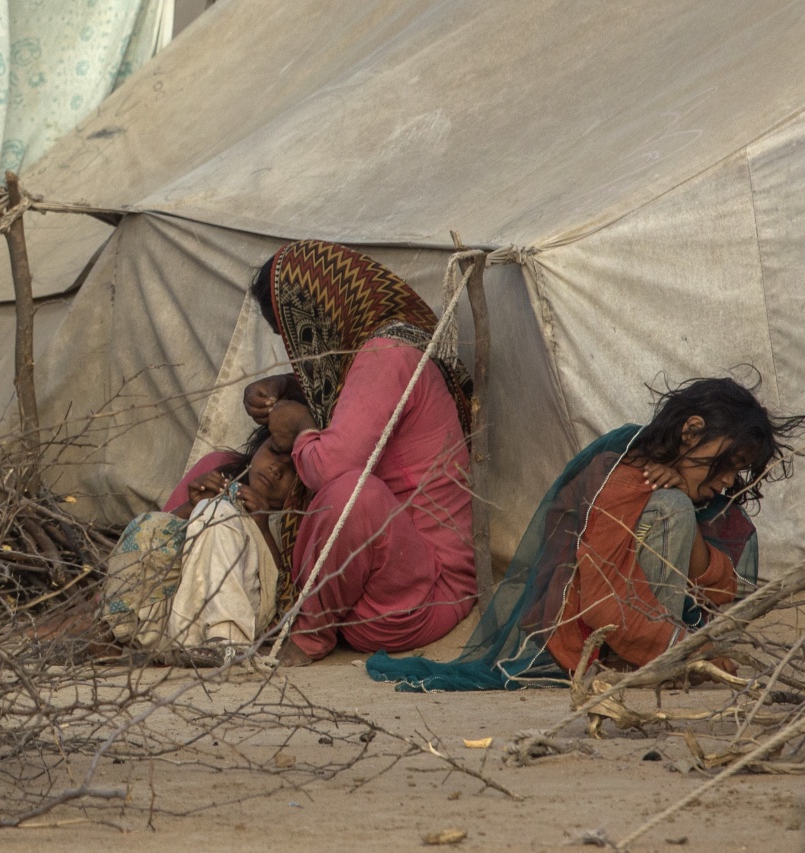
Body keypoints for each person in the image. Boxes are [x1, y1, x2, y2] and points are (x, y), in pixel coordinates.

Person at [371, 376, 794, 691]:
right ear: (691, 431)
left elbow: (719, 589)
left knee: (676, 508)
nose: (727, 481)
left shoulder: (699, 498)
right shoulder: (625, 475)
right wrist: (685, 649)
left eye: (737, 472)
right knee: (670, 509)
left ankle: (661, 656)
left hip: (652, 631)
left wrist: (687, 512)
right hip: (592, 643)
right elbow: (601, 600)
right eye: (724, 465)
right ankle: (647, 665)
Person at [245, 239, 477, 664]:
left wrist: (300, 427)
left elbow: (329, 468)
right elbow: (349, 397)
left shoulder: (385, 355)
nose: (298, 351)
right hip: (392, 583)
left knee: (353, 493)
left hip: (421, 600)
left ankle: (310, 636)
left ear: (315, 316)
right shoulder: (389, 345)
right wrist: (287, 386)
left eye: (292, 336)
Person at [100, 432, 305, 659]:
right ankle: (119, 630)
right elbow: (163, 548)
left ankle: (226, 640)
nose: (276, 469)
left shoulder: (289, 520)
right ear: (256, 449)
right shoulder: (220, 487)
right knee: (149, 524)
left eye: (291, 469)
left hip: (244, 619)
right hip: (180, 625)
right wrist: (192, 507)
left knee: (219, 512)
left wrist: (262, 527)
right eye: (274, 452)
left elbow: (281, 589)